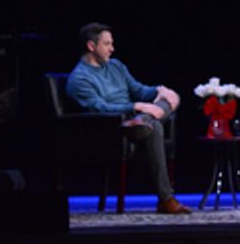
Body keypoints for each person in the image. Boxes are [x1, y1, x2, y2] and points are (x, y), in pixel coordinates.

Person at [65, 22, 191, 214]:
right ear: (91, 46)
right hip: (111, 129)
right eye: (107, 44)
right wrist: (135, 106)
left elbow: (138, 90)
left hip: (136, 121)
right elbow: (99, 108)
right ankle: (166, 199)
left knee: (171, 100)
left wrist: (160, 90)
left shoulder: (115, 66)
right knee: (155, 126)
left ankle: (143, 121)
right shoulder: (79, 79)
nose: (112, 49)